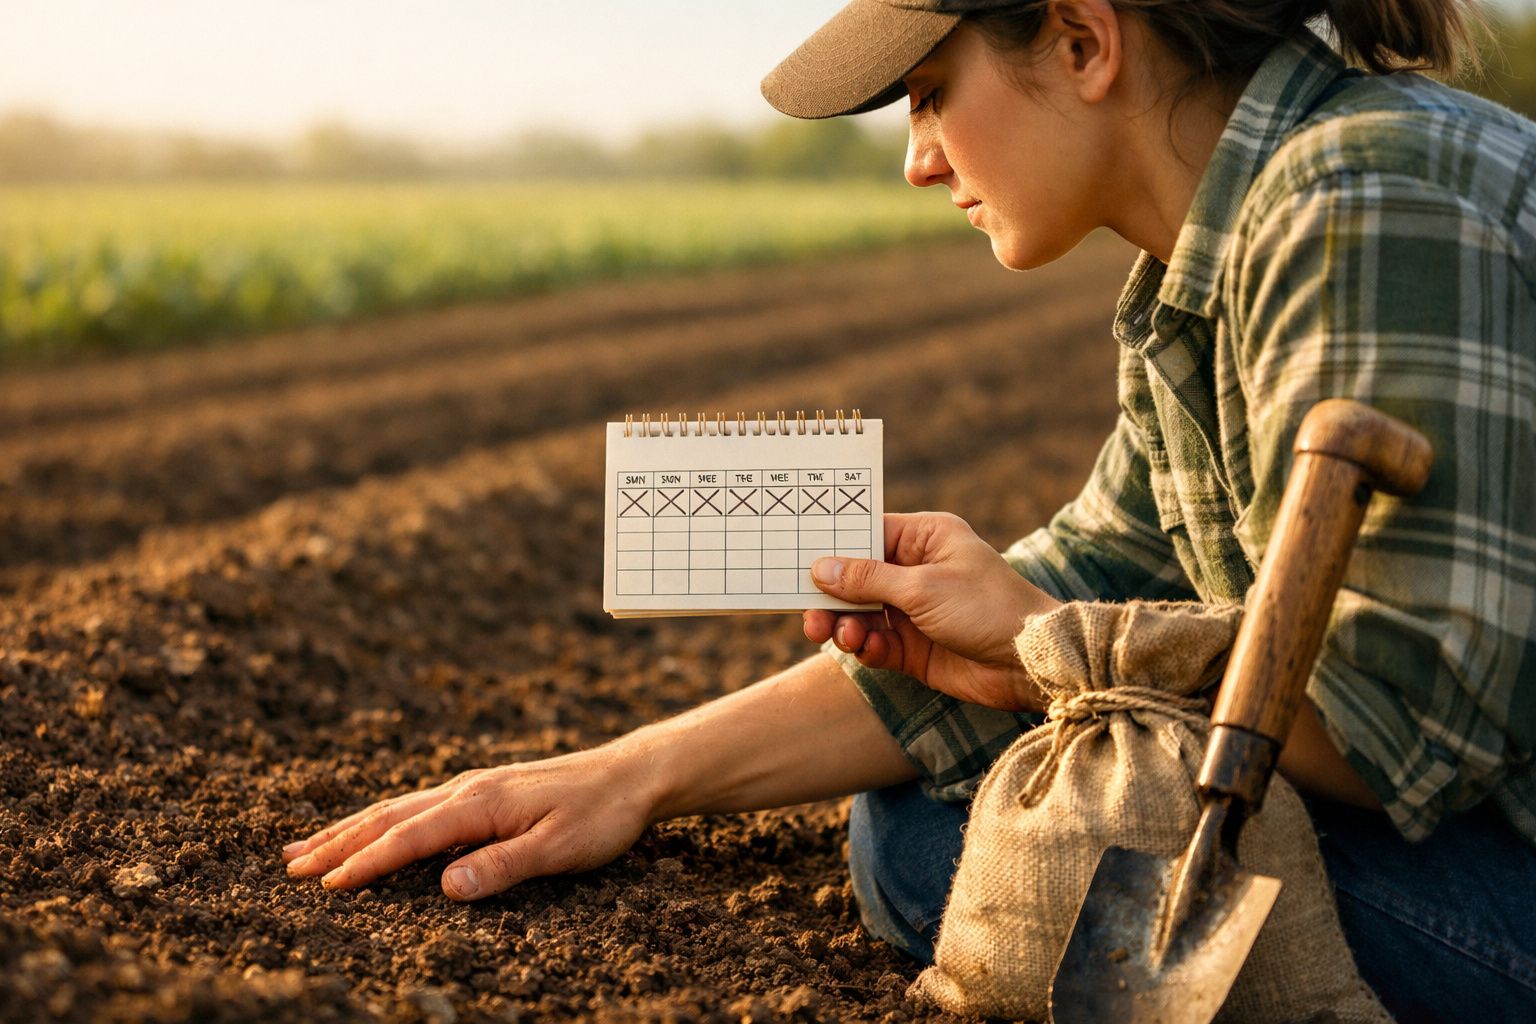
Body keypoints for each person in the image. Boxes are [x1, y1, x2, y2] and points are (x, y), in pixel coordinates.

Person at [283, 1, 1536, 1018]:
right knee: (924, 822)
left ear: (1083, 40)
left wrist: (1041, 641)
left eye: (933, 91)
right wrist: (625, 776)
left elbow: (1390, 721)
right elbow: (1100, 567)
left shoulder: (1361, 194)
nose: (917, 155)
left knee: (960, 847)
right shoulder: (1197, 271)